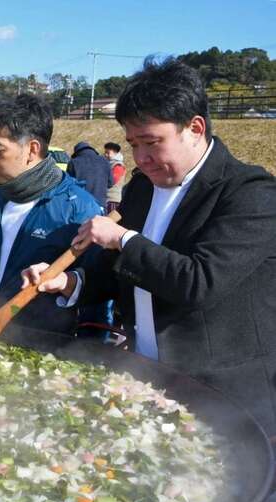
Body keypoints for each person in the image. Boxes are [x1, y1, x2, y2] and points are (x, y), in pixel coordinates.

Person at [23, 58, 276, 434]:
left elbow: (198, 283)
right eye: (133, 144)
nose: (140, 157)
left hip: (223, 396)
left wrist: (122, 238)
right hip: (147, 377)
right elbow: (125, 271)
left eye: (152, 142)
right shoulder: (142, 188)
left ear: (194, 128)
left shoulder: (250, 194)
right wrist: (70, 282)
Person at [0, 94, 102, 335]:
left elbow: (99, 286)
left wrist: (67, 283)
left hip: (43, 344)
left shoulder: (78, 208)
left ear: (32, 149)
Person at [67, 141, 111, 208]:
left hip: (82, 205)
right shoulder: (104, 160)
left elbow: (69, 185)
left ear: (77, 153)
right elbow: (110, 183)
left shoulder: (73, 162)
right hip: (100, 204)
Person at [103, 141, 126, 212]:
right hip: (107, 199)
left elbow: (112, 181)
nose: (105, 155)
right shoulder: (109, 164)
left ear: (115, 153)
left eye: (108, 153)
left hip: (113, 200)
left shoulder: (118, 165)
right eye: (105, 152)